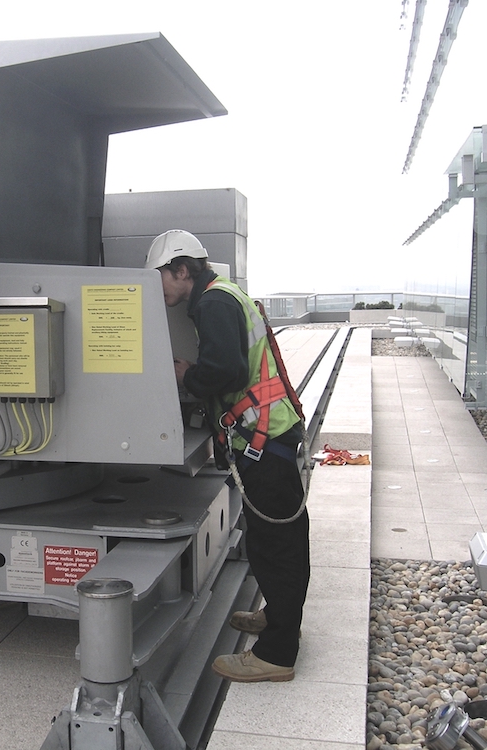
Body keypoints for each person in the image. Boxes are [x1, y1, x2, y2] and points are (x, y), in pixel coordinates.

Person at [145, 229, 309, 683]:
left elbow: (227, 370)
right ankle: (280, 619)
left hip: (264, 442)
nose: (158, 289)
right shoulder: (225, 294)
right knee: (281, 538)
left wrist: (186, 375)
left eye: (160, 277)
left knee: (275, 545)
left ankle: (276, 654)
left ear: (182, 270)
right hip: (271, 436)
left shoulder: (212, 303)